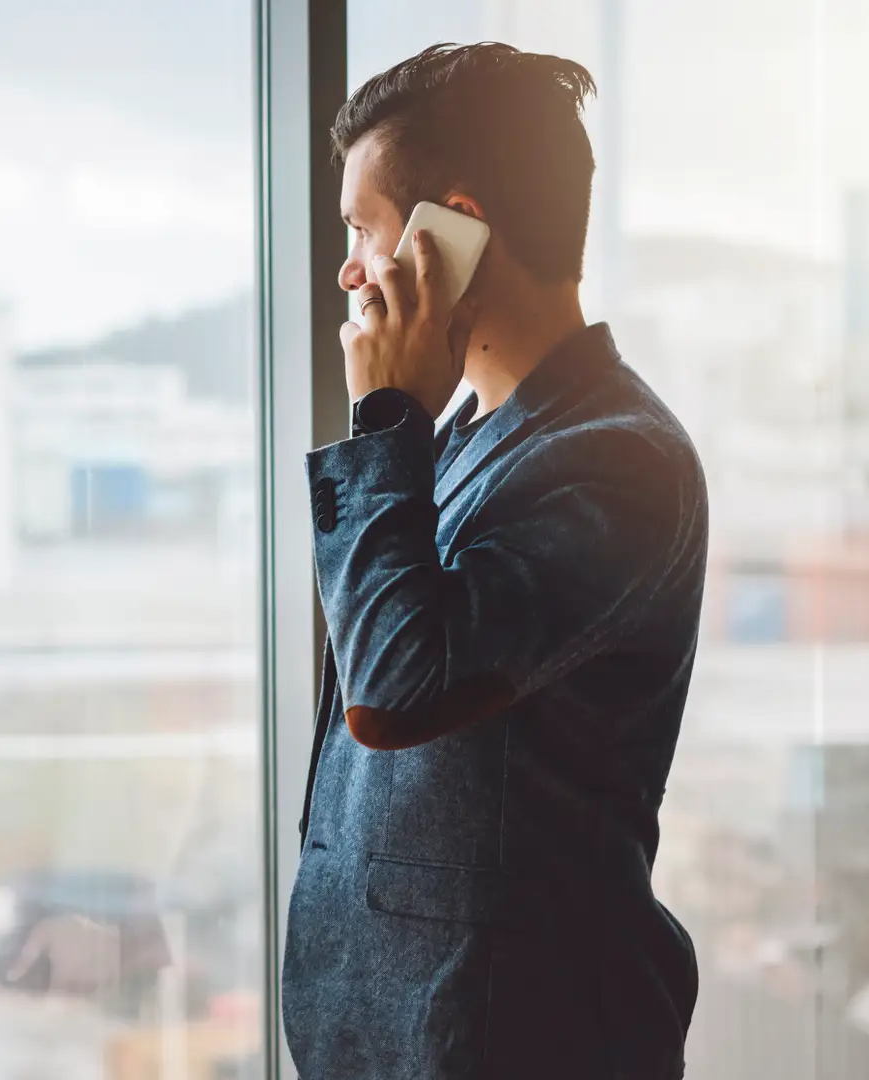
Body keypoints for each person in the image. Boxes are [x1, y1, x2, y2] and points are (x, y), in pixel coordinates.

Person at [281, 42, 707, 1080]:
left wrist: (389, 416)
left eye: (363, 229)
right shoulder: (466, 442)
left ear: (451, 231)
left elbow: (397, 686)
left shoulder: (620, 460)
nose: (348, 269)